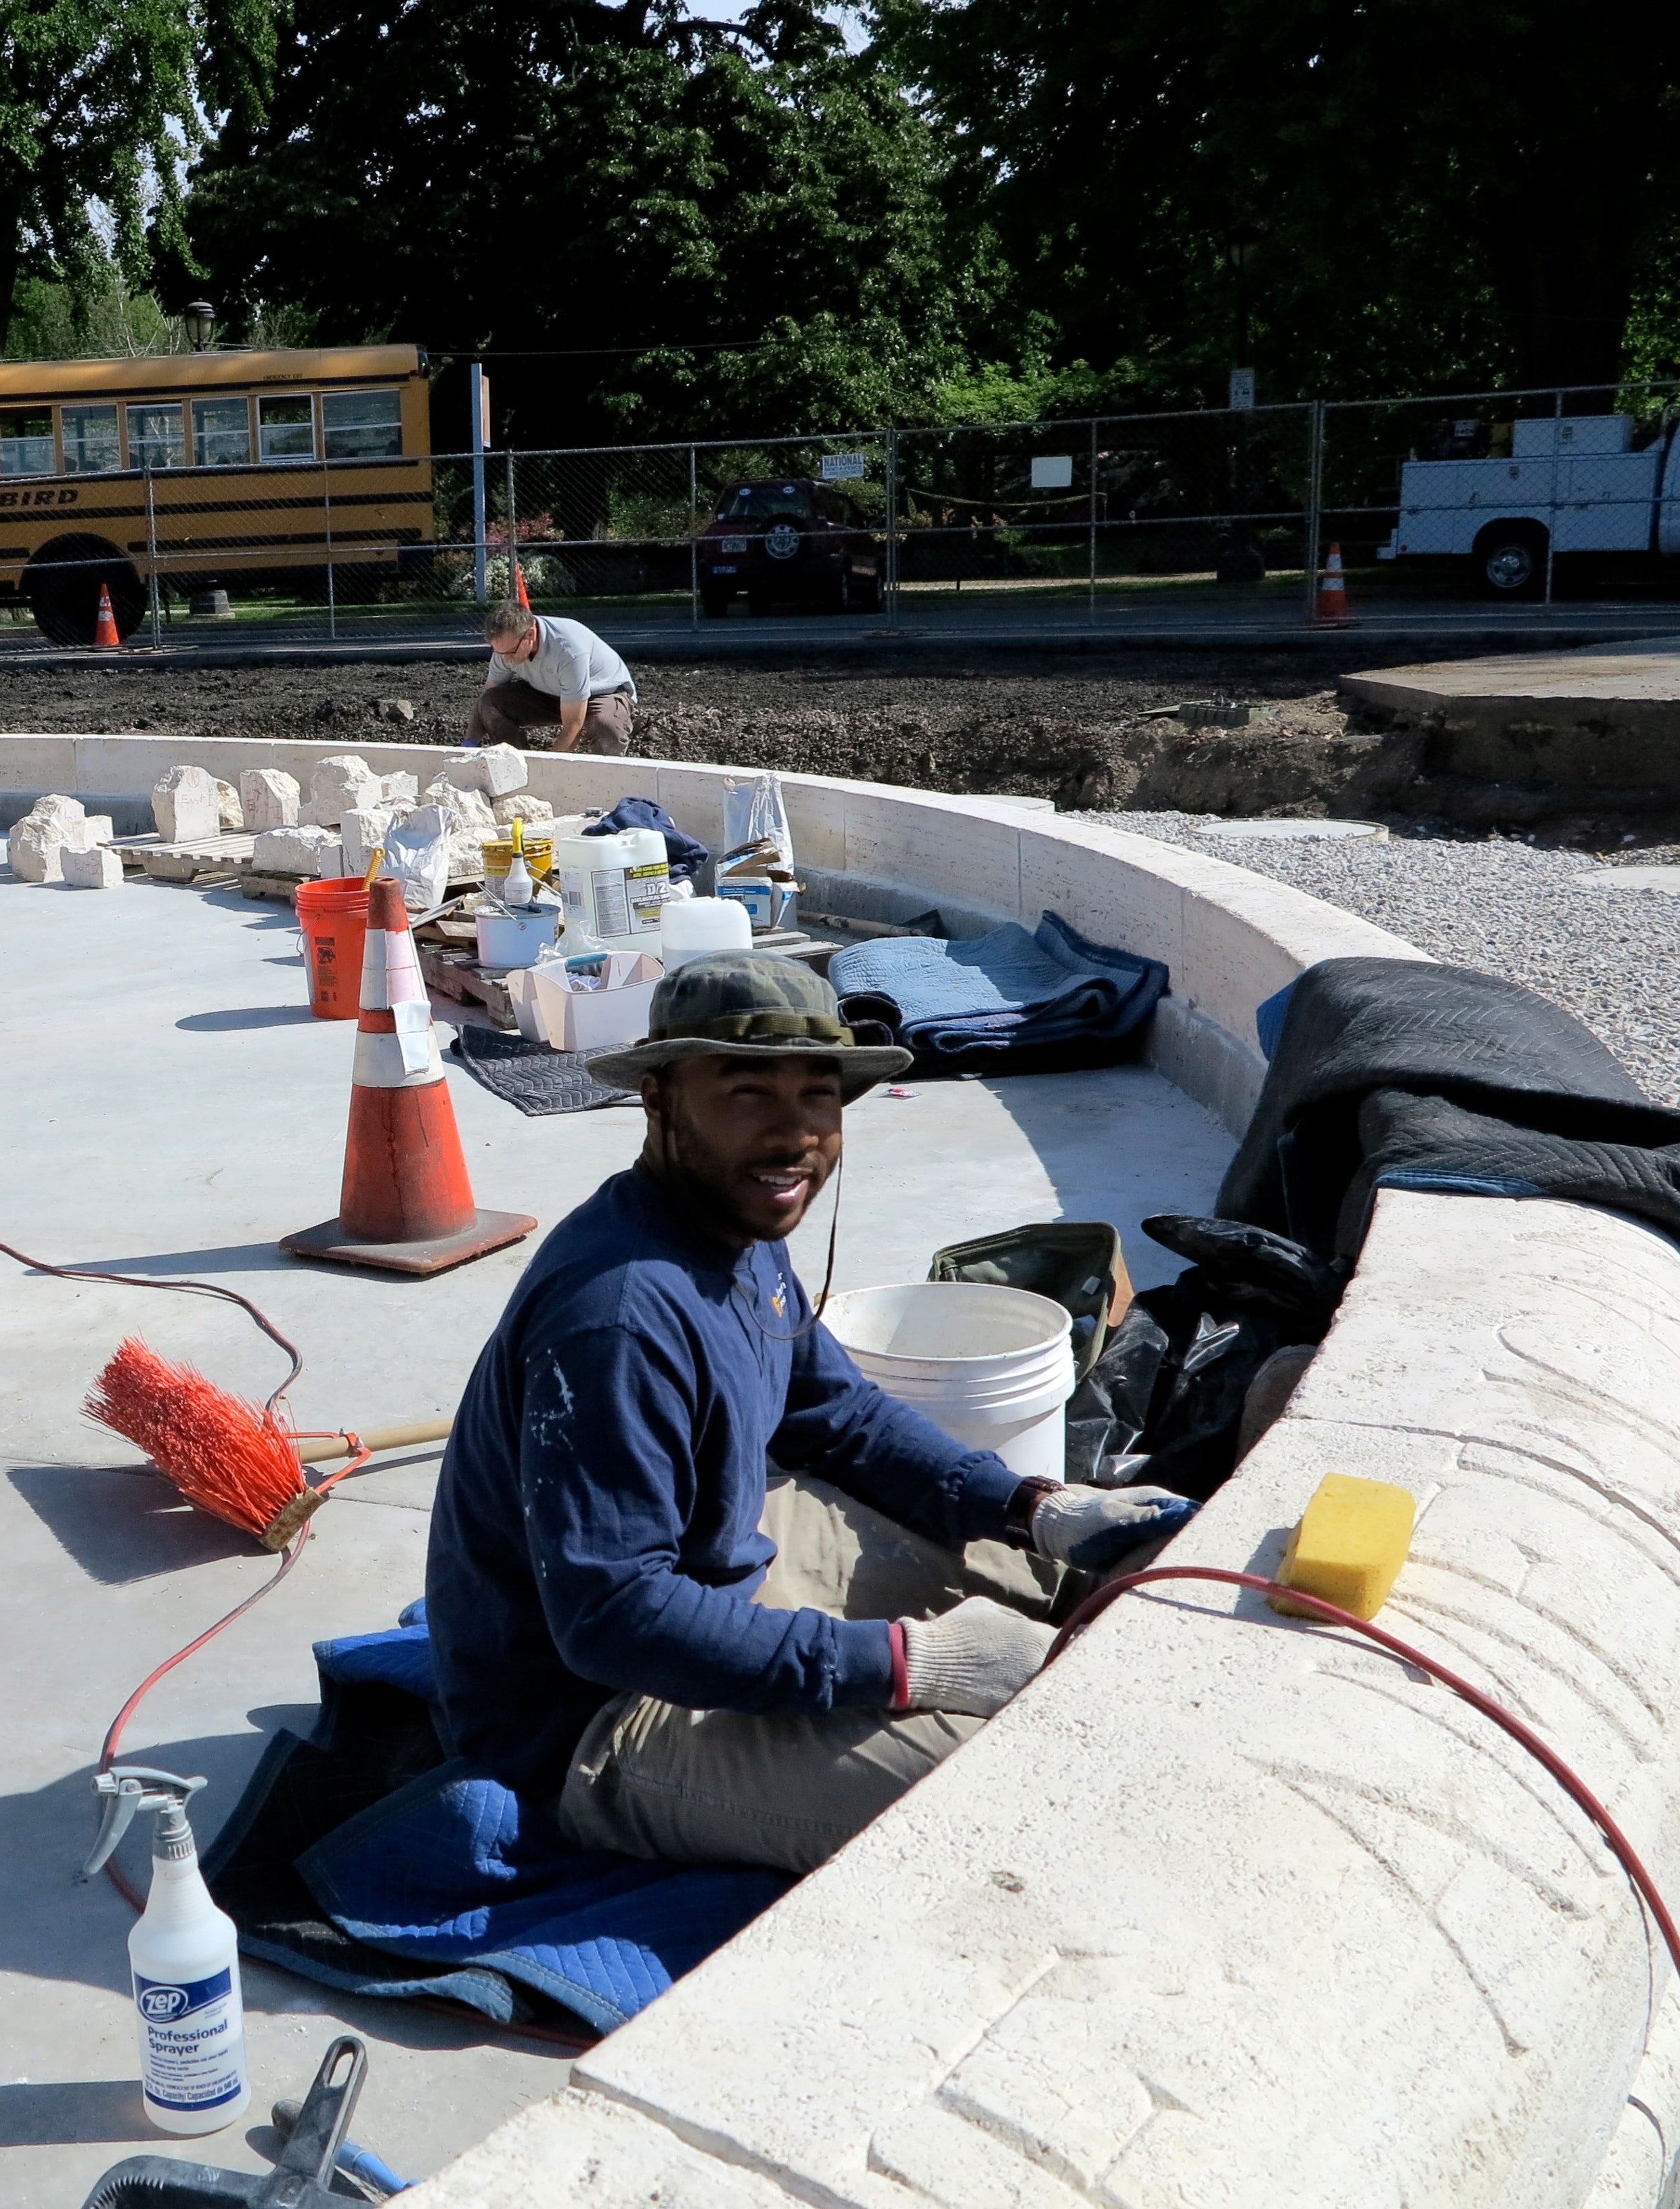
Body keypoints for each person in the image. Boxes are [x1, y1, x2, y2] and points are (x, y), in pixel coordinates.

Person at [424, 954, 1197, 1875]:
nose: (795, 1137)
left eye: (819, 1097)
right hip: (597, 1713)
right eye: (749, 1092)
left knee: (1060, 1584)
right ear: (660, 1100)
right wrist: (914, 1664)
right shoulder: (620, 1318)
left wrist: (1033, 1507)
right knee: (1019, 1793)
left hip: (716, 1576)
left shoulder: (738, 1229)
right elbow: (615, 1619)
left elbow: (842, 1419)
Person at [469, 600, 635, 756]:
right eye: (499, 653)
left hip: (601, 694)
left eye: (511, 652)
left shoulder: (568, 650)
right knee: (492, 703)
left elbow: (573, 724)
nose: (506, 659)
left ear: (531, 634)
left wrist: (548, 769)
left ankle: (603, 780)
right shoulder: (507, 648)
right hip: (552, 692)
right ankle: (514, 771)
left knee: (606, 727)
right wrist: (468, 745)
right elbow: (486, 700)